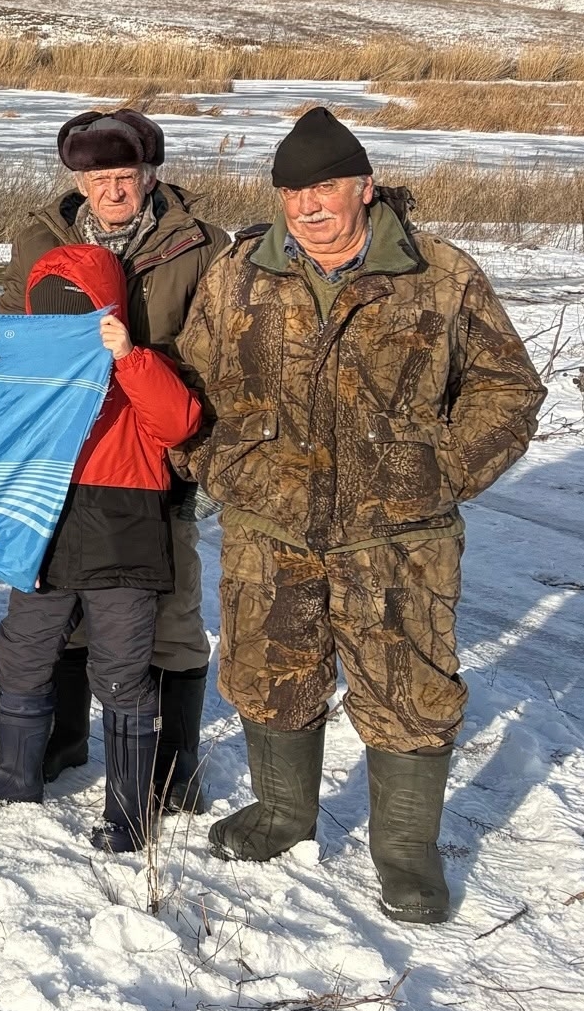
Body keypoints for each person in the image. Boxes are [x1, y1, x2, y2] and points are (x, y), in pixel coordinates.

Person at [178, 108, 541, 924]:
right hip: (271, 525)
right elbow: (191, 383)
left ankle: (406, 854)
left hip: (399, 534)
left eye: (325, 187)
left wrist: (441, 469)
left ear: (364, 188)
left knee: (408, 687)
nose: (307, 206)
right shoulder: (240, 274)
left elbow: (508, 389)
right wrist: (217, 464)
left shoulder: (440, 275)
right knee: (270, 672)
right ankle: (282, 814)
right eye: (292, 191)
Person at [0, 108, 226, 811]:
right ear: (78, 178)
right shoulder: (41, 235)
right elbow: (13, 334)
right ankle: (61, 741)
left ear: (152, 175)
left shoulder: (200, 245)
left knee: (171, 621)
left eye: (126, 176)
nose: (113, 190)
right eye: (98, 177)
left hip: (159, 457)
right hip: (63, 463)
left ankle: (171, 768)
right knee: (57, 612)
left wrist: (176, 418)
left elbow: (218, 359)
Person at [0, 245, 202, 853]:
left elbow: (179, 423)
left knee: (121, 670)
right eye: (53, 315)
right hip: (41, 533)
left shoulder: (137, 369)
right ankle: (16, 772)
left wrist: (129, 357)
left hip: (124, 538)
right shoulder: (24, 379)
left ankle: (129, 808)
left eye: (83, 313)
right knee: (21, 655)